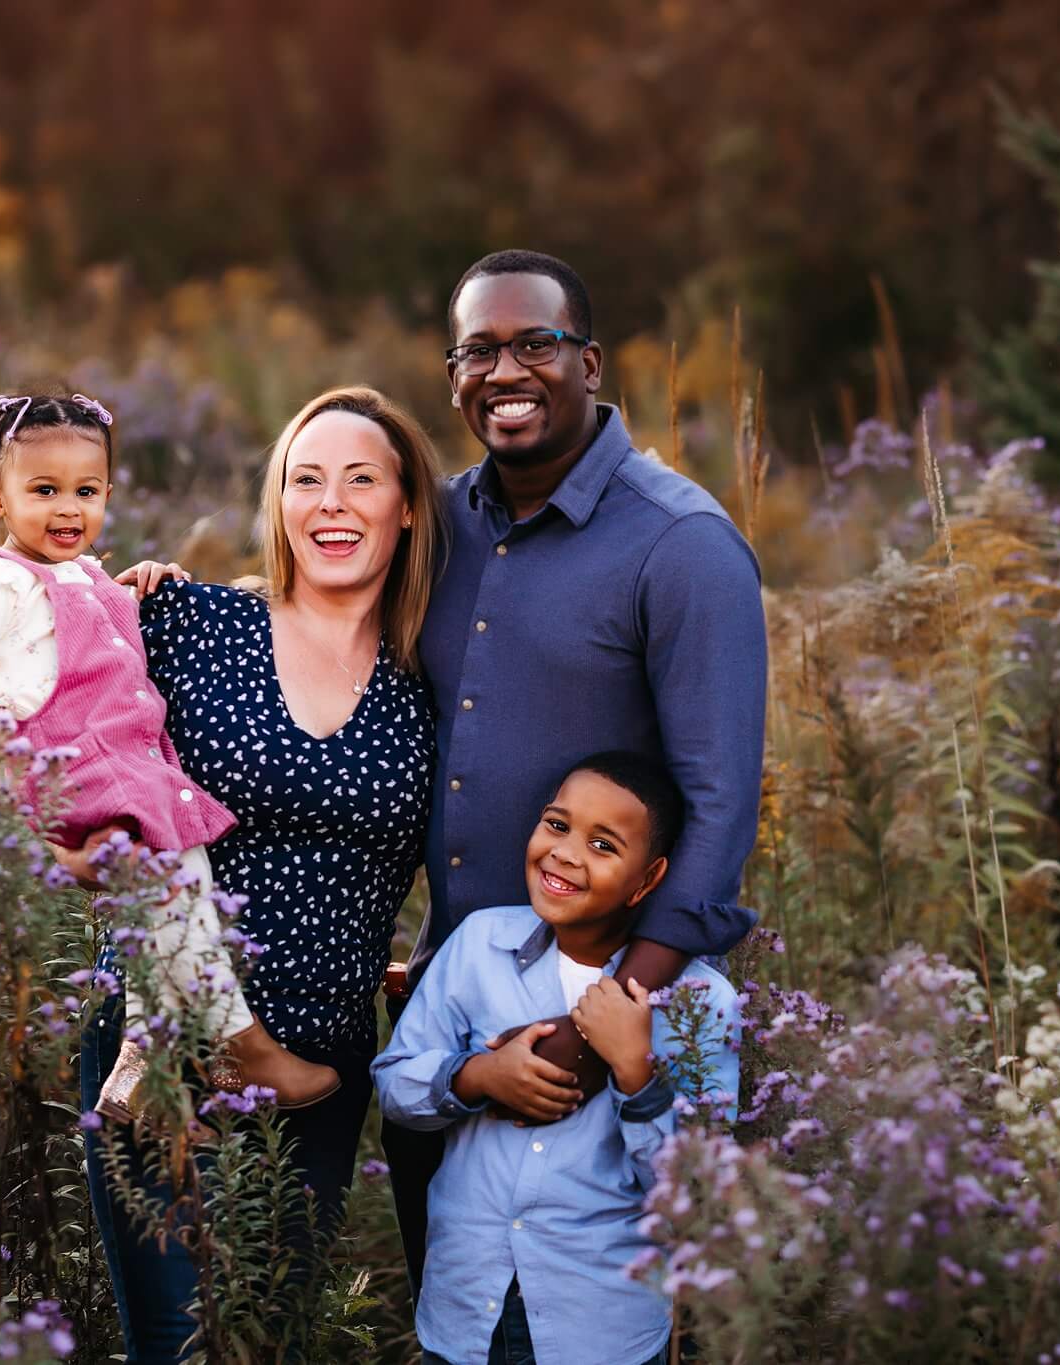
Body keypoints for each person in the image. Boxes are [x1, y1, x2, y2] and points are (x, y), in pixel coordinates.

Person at [386, 249, 767, 1294]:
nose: (503, 370)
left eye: (534, 344)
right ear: (452, 375)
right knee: (460, 1323)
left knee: (592, 1330)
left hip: (609, 1033)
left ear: (588, 362)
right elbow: (314, 606)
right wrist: (166, 598)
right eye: (477, 350)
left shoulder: (681, 545)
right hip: (454, 1019)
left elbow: (722, 807)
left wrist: (598, 1023)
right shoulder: (439, 523)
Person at [59, 385, 442, 1362]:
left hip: (316, 1077)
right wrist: (70, 852)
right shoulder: (189, 621)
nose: (331, 503)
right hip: (164, 1048)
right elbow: (49, 743)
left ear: (406, 507)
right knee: (178, 1343)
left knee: (259, 1342)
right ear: (276, 505)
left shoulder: (432, 681)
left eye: (361, 479)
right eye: (304, 480)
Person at [0, 390, 341, 1118]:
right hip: (72, 773)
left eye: (86, 491)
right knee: (178, 886)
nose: (67, 510)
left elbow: (71, 631)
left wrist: (136, 589)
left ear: (109, 492)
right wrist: (6, 759)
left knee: (176, 888)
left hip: (126, 766)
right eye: (43, 491)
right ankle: (238, 1039)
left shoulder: (81, 573)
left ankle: (142, 1058)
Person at [374, 751, 741, 1365]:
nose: (566, 853)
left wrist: (634, 1072)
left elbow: (695, 1196)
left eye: (603, 845)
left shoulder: (702, 1003)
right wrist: (476, 1076)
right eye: (557, 824)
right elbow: (395, 1087)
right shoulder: (478, 945)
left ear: (648, 880)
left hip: (599, 1325)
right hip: (466, 1311)